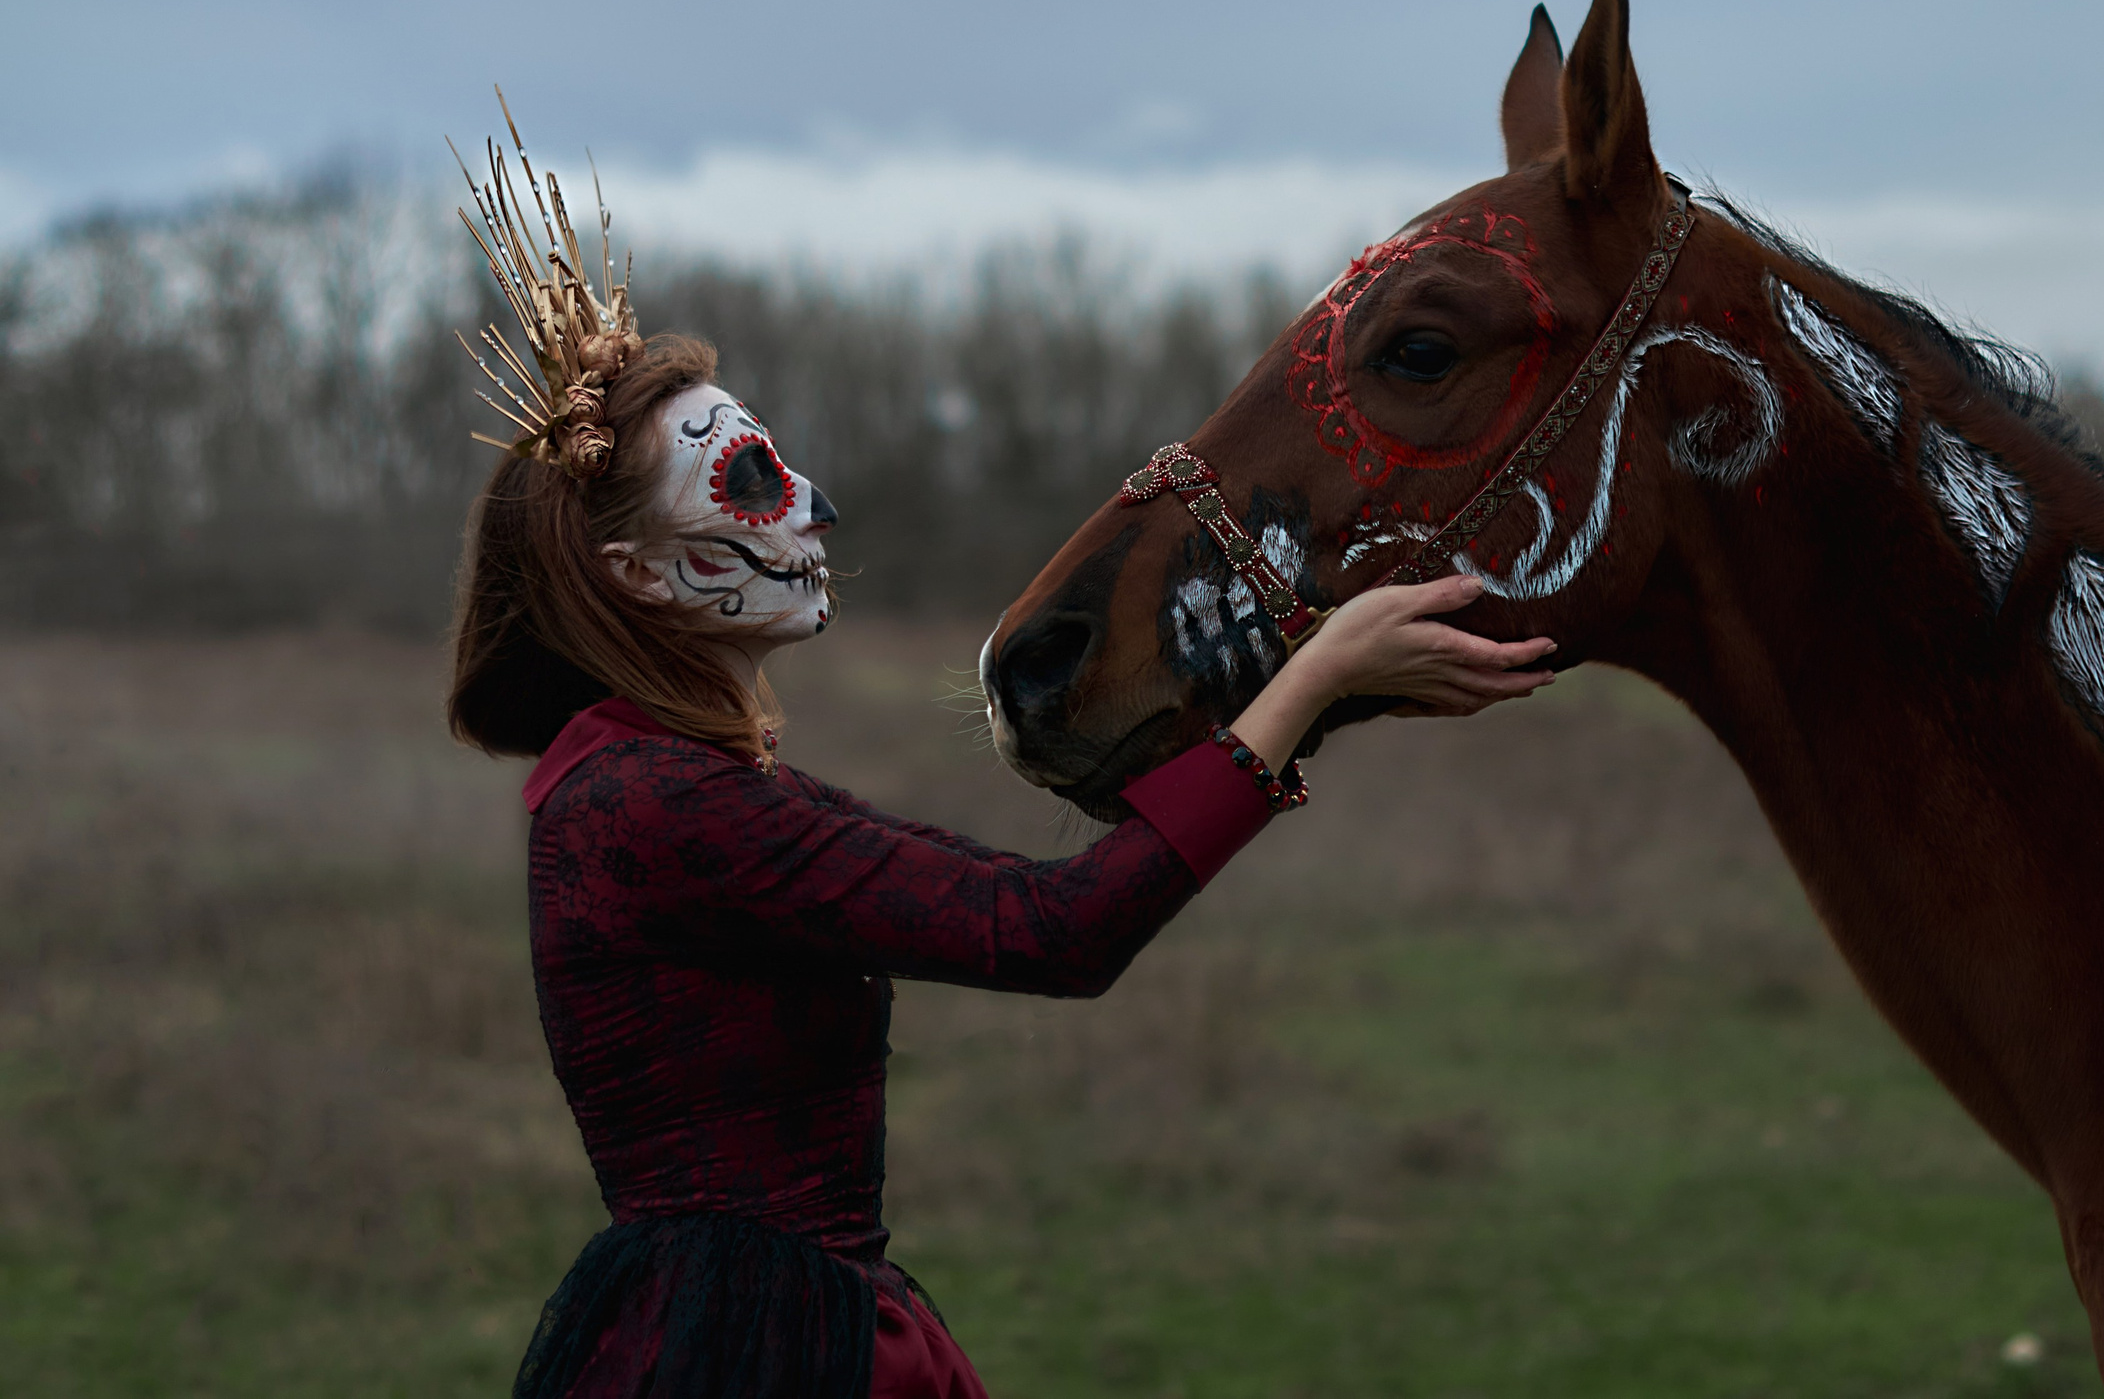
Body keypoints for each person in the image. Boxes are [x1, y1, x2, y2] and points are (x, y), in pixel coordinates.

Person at [442, 131, 1556, 1397]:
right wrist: (1307, 682)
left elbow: (1019, 906)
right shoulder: (655, 806)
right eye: (752, 478)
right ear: (640, 576)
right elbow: (1051, 930)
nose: (814, 504)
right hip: (757, 1354)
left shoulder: (655, 787)